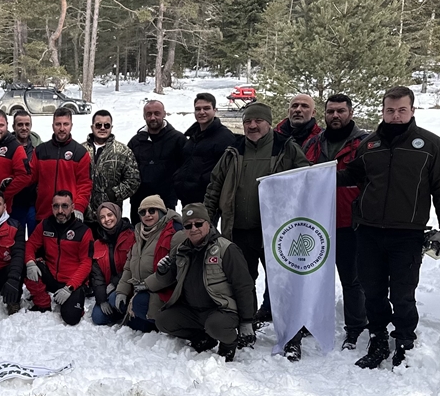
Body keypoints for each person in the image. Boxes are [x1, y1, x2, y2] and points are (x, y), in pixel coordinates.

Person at [338, 86, 440, 369]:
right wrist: (314, 175)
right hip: (368, 231)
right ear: (383, 111)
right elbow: (350, 175)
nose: (395, 115)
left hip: (407, 234)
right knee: (372, 291)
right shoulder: (369, 145)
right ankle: (378, 338)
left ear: (413, 110)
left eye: (402, 110)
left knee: (403, 293)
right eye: (390, 110)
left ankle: (404, 341)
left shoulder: (431, 145)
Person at [203, 102, 310, 326]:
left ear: (268, 123)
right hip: (239, 229)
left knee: (283, 280)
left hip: (276, 231)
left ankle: (291, 330)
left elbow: (307, 180)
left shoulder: (285, 147)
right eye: (247, 121)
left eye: (258, 121)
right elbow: (215, 185)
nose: (252, 125)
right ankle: (246, 323)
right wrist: (207, 219)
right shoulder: (234, 149)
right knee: (243, 280)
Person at [299, 93, 370, 354]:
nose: (335, 116)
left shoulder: (364, 143)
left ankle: (355, 327)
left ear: (350, 112)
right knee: (314, 277)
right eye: (330, 112)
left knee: (352, 279)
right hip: (317, 223)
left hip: (349, 222)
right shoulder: (313, 144)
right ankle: (310, 320)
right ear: (324, 114)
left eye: (340, 111)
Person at [145, 204, 257, 362]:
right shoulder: (181, 250)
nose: (193, 228)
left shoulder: (226, 249)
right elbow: (168, 279)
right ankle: (203, 337)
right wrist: (163, 271)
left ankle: (229, 343)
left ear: (208, 223)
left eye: (198, 224)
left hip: (221, 309)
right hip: (192, 310)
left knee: (215, 325)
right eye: (188, 225)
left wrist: (247, 321)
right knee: (163, 321)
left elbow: (244, 286)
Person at [7, 107, 92, 223]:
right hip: (44, 213)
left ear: (71, 125)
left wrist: (79, 207)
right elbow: (28, 177)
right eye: (58, 124)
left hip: (69, 215)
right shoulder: (41, 151)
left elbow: (85, 185)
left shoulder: (80, 153)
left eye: (65, 124)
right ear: (53, 126)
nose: (62, 128)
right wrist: (7, 185)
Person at [24, 190, 94, 326]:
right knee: (25, 265)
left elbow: (86, 263)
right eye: (56, 206)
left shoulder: (84, 231)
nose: (60, 210)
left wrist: (70, 287)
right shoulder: (45, 225)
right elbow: (30, 244)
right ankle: (43, 303)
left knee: (71, 318)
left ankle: (75, 299)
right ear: (52, 207)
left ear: (73, 207)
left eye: (64, 206)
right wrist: (30, 262)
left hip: (72, 282)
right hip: (51, 275)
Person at [114, 194, 182, 332]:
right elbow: (129, 266)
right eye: (143, 212)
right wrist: (122, 290)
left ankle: (165, 322)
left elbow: (174, 271)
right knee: (116, 302)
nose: (147, 215)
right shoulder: (139, 233)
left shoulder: (174, 232)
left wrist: (147, 284)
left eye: (152, 211)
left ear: (161, 212)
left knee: (139, 304)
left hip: (163, 291)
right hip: (139, 288)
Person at [175, 93, 237, 206]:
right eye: (198, 109)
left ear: (215, 110)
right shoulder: (192, 136)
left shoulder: (224, 137)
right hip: (187, 197)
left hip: (208, 200)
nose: (201, 112)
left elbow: (228, 172)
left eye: (206, 108)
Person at [127, 99, 186, 212]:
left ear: (164, 114)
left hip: (166, 203)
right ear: (144, 116)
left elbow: (185, 170)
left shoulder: (178, 140)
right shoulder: (136, 142)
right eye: (149, 114)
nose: (153, 117)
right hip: (140, 203)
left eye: (157, 113)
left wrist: (175, 192)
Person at [86, 110, 140, 219]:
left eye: (106, 125)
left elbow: (133, 180)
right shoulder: (81, 150)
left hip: (110, 216)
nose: (102, 128)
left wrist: (114, 194)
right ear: (92, 127)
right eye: (98, 125)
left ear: (111, 127)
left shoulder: (122, 151)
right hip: (84, 214)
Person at [89, 202, 136, 326]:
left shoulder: (132, 236)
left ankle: (132, 313)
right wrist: (101, 299)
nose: (107, 220)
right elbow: (96, 276)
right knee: (98, 317)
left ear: (117, 214)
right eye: (102, 217)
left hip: (129, 286)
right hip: (109, 290)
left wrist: (115, 283)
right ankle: (122, 312)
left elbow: (133, 265)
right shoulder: (98, 243)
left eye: (110, 215)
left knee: (115, 299)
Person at [6, 109, 41, 236]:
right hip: (13, 202)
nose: (24, 128)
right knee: (15, 238)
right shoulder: (6, 147)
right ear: (13, 127)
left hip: (34, 202)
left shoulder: (39, 147)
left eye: (27, 124)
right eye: (20, 125)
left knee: (35, 237)